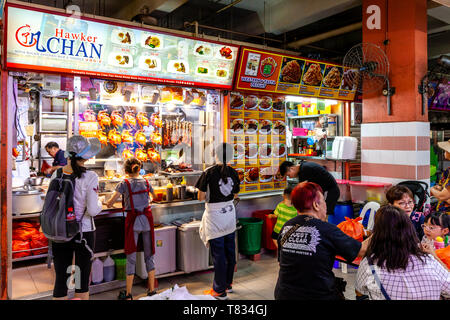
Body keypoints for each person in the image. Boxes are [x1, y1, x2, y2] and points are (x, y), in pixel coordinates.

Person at [274, 182, 371, 300]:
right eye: (324, 201)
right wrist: (383, 228)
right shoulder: (327, 229)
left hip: (283, 294)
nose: (326, 204)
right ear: (316, 205)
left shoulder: (287, 227)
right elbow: (361, 250)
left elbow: (282, 263)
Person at [355, 205, 450, 300]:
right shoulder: (429, 261)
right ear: (410, 230)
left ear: (377, 233)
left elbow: (360, 291)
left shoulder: (370, 263)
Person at [50, 135, 102, 300]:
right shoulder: (90, 177)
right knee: (80, 280)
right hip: (83, 233)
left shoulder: (56, 174)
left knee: (61, 280)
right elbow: (93, 210)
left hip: (59, 231)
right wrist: (100, 203)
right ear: (85, 156)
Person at [105, 158, 157, 300]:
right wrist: (147, 200)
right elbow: (154, 196)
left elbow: (112, 201)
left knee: (131, 255)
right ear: (139, 168)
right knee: (149, 254)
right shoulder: (146, 181)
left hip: (133, 222)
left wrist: (107, 203)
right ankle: (152, 290)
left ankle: (128, 294)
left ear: (125, 170)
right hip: (147, 220)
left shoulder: (124, 183)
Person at [196, 143, 240, 300]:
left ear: (215, 155)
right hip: (229, 215)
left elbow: (200, 197)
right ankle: (228, 284)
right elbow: (235, 194)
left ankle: (219, 291)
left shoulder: (208, 172)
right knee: (230, 251)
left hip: (215, 216)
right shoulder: (234, 172)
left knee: (219, 255)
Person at [430, 139, 450, 212]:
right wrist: (439, 188)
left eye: (446, 150)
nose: (444, 152)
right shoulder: (447, 171)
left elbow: (442, 196)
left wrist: (431, 189)